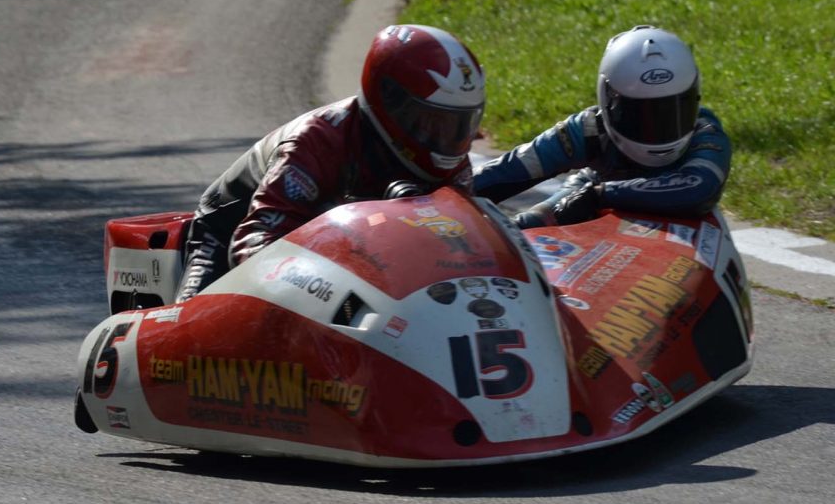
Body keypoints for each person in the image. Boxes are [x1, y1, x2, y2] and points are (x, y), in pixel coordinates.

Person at [175, 24, 485, 302]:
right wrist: (319, 287)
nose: (448, 139)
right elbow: (254, 240)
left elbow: (460, 241)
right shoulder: (316, 141)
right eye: (433, 123)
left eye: (460, 125)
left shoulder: (450, 162)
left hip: (338, 246)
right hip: (228, 229)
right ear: (390, 101)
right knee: (193, 326)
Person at [472, 25, 730, 228]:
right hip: (590, 193)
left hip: (627, 205)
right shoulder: (588, 129)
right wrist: (445, 197)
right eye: (639, 115)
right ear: (608, 103)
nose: (657, 127)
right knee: (522, 230)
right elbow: (509, 170)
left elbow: (699, 187)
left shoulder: (706, 131)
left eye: (674, 109)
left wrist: (601, 195)